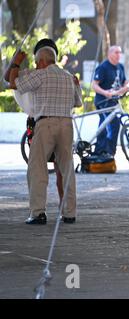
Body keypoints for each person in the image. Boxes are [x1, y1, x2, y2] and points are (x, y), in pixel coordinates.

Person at [8, 40, 82, 225]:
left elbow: (13, 84)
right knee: (67, 169)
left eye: (35, 62)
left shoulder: (40, 74)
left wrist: (16, 63)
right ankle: (69, 213)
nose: (35, 65)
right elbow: (78, 102)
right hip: (66, 123)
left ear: (41, 61)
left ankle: (38, 212)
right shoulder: (68, 76)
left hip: (45, 123)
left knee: (37, 168)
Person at [92, 45, 128, 157]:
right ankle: (102, 151)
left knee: (115, 125)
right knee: (109, 126)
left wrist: (127, 86)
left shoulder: (120, 67)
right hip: (103, 102)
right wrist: (105, 93)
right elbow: (94, 85)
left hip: (114, 102)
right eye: (116, 52)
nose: (119, 55)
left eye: (120, 52)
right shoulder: (103, 67)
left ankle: (109, 153)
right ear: (110, 54)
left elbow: (124, 82)